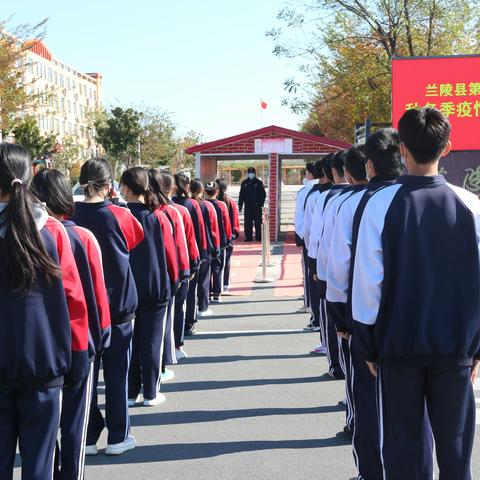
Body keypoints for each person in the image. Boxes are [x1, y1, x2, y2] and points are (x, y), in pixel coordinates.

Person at [353, 107, 480, 480]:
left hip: (397, 348)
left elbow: (367, 283)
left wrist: (367, 345)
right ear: (448, 147)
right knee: (457, 457)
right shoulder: (470, 205)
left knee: (403, 454)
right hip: (455, 349)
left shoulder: (379, 204)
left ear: (402, 150)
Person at [0, 144, 89, 479]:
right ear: (30, 177)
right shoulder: (52, 231)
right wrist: (79, 356)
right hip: (45, 364)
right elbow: (74, 299)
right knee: (41, 465)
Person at [326, 129, 403, 479]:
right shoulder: (426, 196)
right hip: (419, 320)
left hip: (367, 318)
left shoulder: (349, 203)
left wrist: (340, 317)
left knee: (368, 399)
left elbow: (339, 266)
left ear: (369, 165)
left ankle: (371, 471)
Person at [31, 169, 111, 479]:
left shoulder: (28, 233)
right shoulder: (81, 236)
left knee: (45, 430)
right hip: (80, 340)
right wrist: (101, 335)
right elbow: (96, 293)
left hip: (42, 346)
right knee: (75, 424)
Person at [72, 158, 144, 456]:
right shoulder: (119, 214)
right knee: (117, 374)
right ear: (109, 184)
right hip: (118, 307)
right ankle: (117, 436)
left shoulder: (70, 214)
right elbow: (135, 240)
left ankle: (87, 436)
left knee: (85, 378)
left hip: (84, 308)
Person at [317, 147, 367, 437]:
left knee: (357, 369)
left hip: (354, 301)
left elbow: (333, 255)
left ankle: (355, 420)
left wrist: (335, 307)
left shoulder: (339, 202)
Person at [119, 167, 178, 407]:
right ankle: (151, 392)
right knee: (152, 341)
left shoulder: (120, 217)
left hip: (127, 288)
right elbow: (170, 254)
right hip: (155, 286)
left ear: (126, 188)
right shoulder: (156, 217)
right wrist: (173, 281)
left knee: (132, 342)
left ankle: (131, 392)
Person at [307, 151, 349, 378]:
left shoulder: (327, 198)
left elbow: (317, 237)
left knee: (336, 321)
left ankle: (337, 365)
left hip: (335, 271)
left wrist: (316, 268)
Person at [147, 169, 190, 370]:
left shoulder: (138, 210)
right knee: (168, 318)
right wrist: (183, 272)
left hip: (145, 278)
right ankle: (168, 356)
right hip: (166, 276)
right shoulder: (170, 212)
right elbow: (180, 245)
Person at [161, 172, 200, 360]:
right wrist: (191, 266)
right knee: (177, 309)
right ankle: (175, 345)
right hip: (176, 270)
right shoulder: (177, 211)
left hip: (153, 275)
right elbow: (187, 242)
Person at [173, 173, 208, 338]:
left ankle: (178, 326)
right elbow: (200, 231)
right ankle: (188, 322)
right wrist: (201, 253)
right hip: (190, 252)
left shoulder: (170, 204)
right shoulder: (192, 204)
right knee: (190, 291)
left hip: (174, 254)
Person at [190, 178, 220, 322]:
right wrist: (216, 247)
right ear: (201, 191)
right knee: (203, 280)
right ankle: (203, 307)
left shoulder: (184, 206)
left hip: (189, 247)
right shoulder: (206, 206)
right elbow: (213, 229)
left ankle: (190, 311)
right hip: (204, 247)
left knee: (190, 284)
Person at [294, 162, 317, 313]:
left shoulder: (305, 192)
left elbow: (300, 220)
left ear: (309, 174)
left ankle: (309, 304)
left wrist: (304, 238)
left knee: (310, 274)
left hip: (309, 241)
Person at [205, 181, 232, 302]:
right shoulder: (221, 205)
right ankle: (217, 293)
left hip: (206, 242)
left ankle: (208, 292)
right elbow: (227, 225)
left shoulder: (202, 204)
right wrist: (229, 238)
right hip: (220, 242)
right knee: (218, 267)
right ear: (217, 191)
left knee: (207, 269)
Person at [216, 178, 240, 293]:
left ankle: (215, 286)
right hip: (226, 236)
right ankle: (224, 284)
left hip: (214, 237)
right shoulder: (229, 201)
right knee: (226, 261)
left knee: (215, 263)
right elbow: (234, 220)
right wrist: (234, 233)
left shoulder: (212, 202)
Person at [238, 166, 266, 241]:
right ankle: (248, 237)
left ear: (255, 173)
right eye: (250, 173)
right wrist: (240, 205)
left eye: (252, 173)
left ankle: (258, 237)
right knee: (247, 223)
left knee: (258, 222)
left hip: (257, 207)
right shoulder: (244, 183)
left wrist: (260, 204)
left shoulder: (259, 183)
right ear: (248, 173)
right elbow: (241, 195)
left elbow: (263, 195)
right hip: (248, 207)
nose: (251, 174)